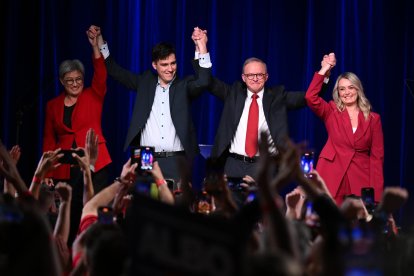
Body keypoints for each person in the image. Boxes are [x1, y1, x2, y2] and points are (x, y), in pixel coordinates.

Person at [89, 25, 212, 182]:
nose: (170, 69)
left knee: (175, 204)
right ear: (154, 65)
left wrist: (201, 46)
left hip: (177, 158)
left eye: (173, 63)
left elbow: (204, 81)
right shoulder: (145, 82)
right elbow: (115, 71)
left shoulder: (184, 85)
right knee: (145, 203)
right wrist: (100, 44)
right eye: (164, 64)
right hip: (145, 155)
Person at [192, 30, 318, 179]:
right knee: (230, 203)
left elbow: (309, 97)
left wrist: (324, 73)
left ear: (266, 77)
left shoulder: (278, 97)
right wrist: (202, 47)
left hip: (265, 167)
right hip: (233, 165)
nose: (255, 79)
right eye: (251, 75)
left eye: (260, 75)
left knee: (262, 203)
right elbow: (207, 81)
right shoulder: (233, 93)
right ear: (243, 78)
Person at [305, 53, 384, 205]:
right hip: (331, 173)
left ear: (358, 89)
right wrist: (325, 68)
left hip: (360, 176)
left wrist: (376, 196)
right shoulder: (331, 111)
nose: (347, 92)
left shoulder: (374, 119)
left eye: (351, 87)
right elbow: (310, 97)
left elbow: (377, 159)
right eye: (342, 89)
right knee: (329, 224)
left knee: (358, 225)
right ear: (338, 93)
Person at [43, 26, 111, 193]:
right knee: (70, 211)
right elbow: (49, 140)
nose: (75, 84)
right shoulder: (53, 105)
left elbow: (101, 73)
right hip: (66, 167)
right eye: (69, 80)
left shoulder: (93, 95)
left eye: (78, 79)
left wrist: (95, 46)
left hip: (95, 162)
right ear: (61, 81)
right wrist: (46, 170)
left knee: (92, 211)